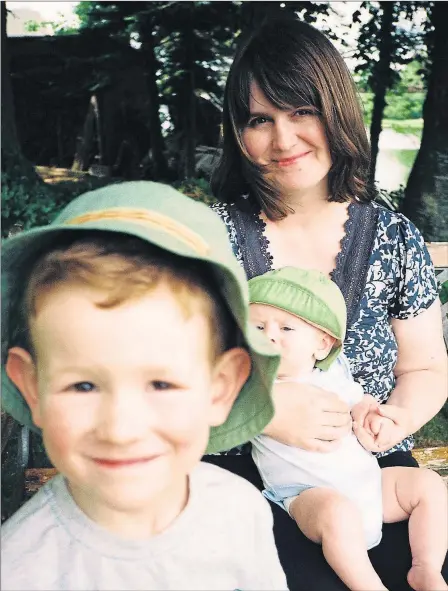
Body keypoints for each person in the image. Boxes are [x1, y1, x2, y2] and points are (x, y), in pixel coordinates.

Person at [203, 16, 448, 591]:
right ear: (238, 133)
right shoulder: (208, 241)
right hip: (243, 469)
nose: (283, 140)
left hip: (367, 463)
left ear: (336, 110)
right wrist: (261, 412)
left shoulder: (392, 237)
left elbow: (424, 367)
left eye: (301, 111)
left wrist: (398, 419)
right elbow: (165, 377)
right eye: (259, 119)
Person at [0, 181, 288, 591]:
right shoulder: (21, 571)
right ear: (32, 388)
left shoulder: (241, 510)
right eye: (83, 386)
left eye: (161, 384)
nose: (121, 430)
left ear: (219, 389)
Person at [248, 266, 448, 591]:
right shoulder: (250, 379)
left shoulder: (334, 374)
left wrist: (374, 418)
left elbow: (361, 403)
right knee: (336, 514)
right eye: (257, 326)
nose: (269, 335)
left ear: (322, 345)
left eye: (286, 327)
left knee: (427, 485)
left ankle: (426, 566)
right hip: (306, 494)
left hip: (369, 484)